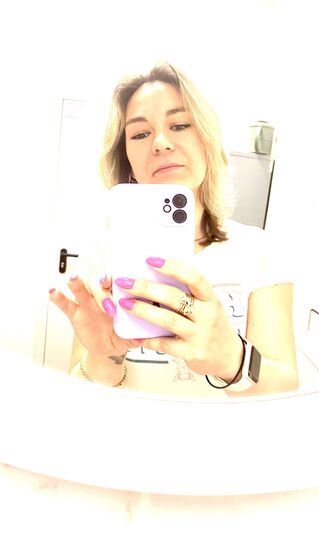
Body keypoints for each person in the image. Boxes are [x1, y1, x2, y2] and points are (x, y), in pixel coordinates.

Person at [49, 62, 298, 397]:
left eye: (180, 125)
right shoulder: (104, 253)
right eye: (140, 134)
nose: (161, 142)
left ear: (208, 143)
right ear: (129, 162)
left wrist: (231, 357)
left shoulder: (259, 250)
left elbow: (287, 389)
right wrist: (104, 354)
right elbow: (82, 391)